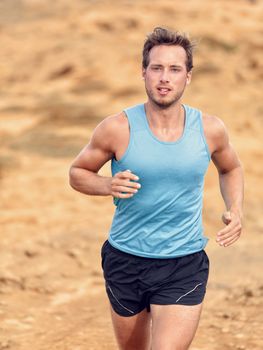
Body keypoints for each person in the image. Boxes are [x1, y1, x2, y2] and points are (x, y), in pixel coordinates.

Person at [69, 27, 244, 350]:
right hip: (125, 259)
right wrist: (107, 183)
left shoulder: (209, 129)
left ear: (188, 77)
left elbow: (230, 168)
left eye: (175, 69)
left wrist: (235, 208)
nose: (165, 77)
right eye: (157, 68)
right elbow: (78, 172)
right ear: (144, 73)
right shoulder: (116, 128)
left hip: (183, 262)